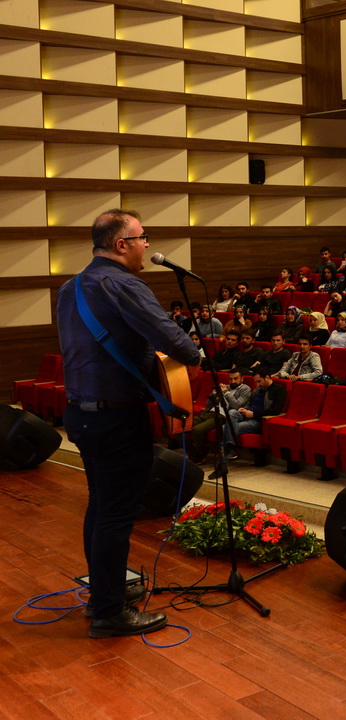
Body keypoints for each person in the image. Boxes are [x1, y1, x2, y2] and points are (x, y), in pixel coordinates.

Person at [57, 210, 201, 638]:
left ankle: (105, 593)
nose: (147, 245)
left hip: (81, 413)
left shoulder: (70, 287)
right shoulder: (123, 284)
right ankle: (109, 612)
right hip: (118, 417)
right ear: (121, 244)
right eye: (142, 237)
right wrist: (192, 351)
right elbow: (173, 341)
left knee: (101, 505)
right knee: (117, 513)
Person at [188, 368, 252, 462]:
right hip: (209, 413)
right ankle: (194, 452)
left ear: (242, 379)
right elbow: (208, 405)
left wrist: (226, 393)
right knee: (184, 425)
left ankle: (200, 454)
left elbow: (236, 406)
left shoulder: (245, 389)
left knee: (197, 430)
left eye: (235, 379)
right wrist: (214, 393)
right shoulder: (225, 387)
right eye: (230, 379)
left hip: (222, 416)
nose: (232, 381)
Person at [226, 371, 286, 459]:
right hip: (247, 414)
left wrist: (254, 414)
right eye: (256, 382)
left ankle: (230, 449)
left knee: (225, 428)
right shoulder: (259, 389)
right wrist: (244, 408)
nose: (257, 384)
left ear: (267, 378)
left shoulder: (278, 390)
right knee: (231, 412)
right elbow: (250, 401)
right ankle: (230, 449)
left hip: (258, 420)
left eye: (259, 381)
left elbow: (275, 411)